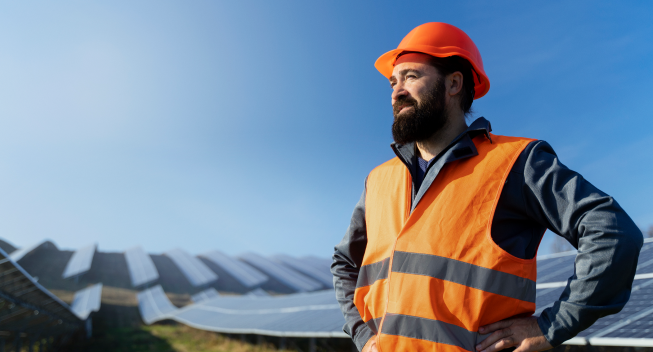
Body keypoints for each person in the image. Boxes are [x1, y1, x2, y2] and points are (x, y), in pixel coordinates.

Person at [331, 22, 643, 352]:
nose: (396, 91)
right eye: (393, 82)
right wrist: (362, 336)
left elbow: (613, 232)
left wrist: (552, 325)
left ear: (454, 83)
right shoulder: (378, 180)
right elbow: (344, 264)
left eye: (410, 76)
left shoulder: (516, 162)